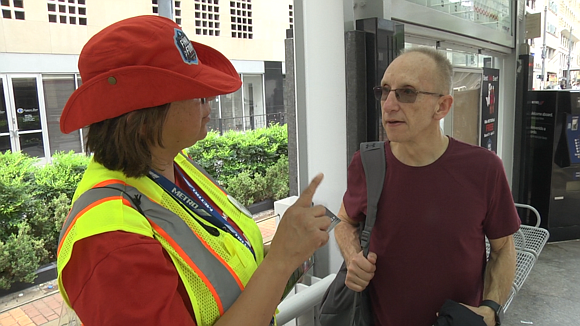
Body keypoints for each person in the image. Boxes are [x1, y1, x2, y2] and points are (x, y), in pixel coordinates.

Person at [56, 15, 331, 326]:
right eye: (197, 94)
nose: (210, 103)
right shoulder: (110, 241)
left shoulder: (172, 164)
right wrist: (281, 261)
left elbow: (216, 266)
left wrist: (288, 249)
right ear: (142, 121)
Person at [334, 47, 520, 326]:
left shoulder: (484, 168)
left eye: (407, 93)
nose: (389, 105)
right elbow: (344, 221)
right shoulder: (367, 163)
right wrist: (352, 257)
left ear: (442, 106)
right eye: (385, 91)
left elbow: (503, 248)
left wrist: (491, 308)